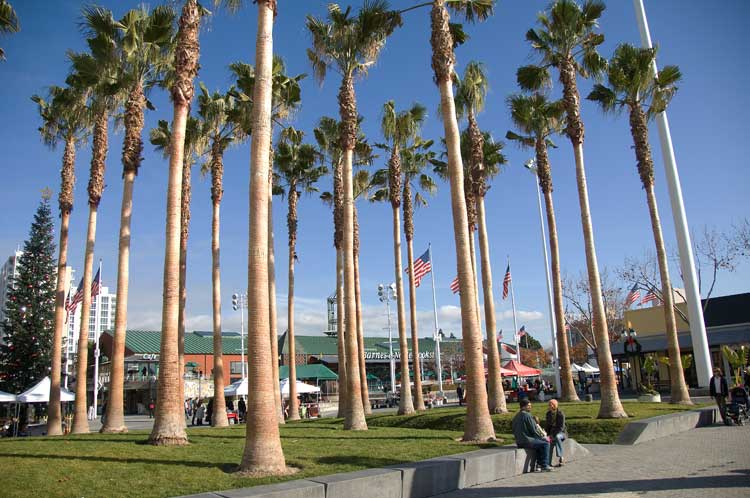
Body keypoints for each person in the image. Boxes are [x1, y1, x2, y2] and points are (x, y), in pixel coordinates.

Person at [512, 399, 553, 472]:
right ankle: (544, 465)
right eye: (528, 406)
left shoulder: (516, 416)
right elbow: (534, 430)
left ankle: (539, 465)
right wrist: (543, 438)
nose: (530, 407)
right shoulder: (527, 415)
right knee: (545, 444)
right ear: (523, 407)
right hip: (527, 441)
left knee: (539, 444)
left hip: (519, 442)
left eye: (530, 406)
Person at [545, 399, 567, 467]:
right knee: (549, 443)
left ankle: (561, 457)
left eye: (551, 404)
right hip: (552, 433)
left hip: (561, 433)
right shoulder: (548, 414)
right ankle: (548, 463)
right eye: (549, 404)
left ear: (555, 405)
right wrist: (547, 435)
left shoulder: (560, 414)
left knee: (557, 437)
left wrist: (553, 435)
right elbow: (547, 426)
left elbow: (561, 427)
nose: (549, 406)